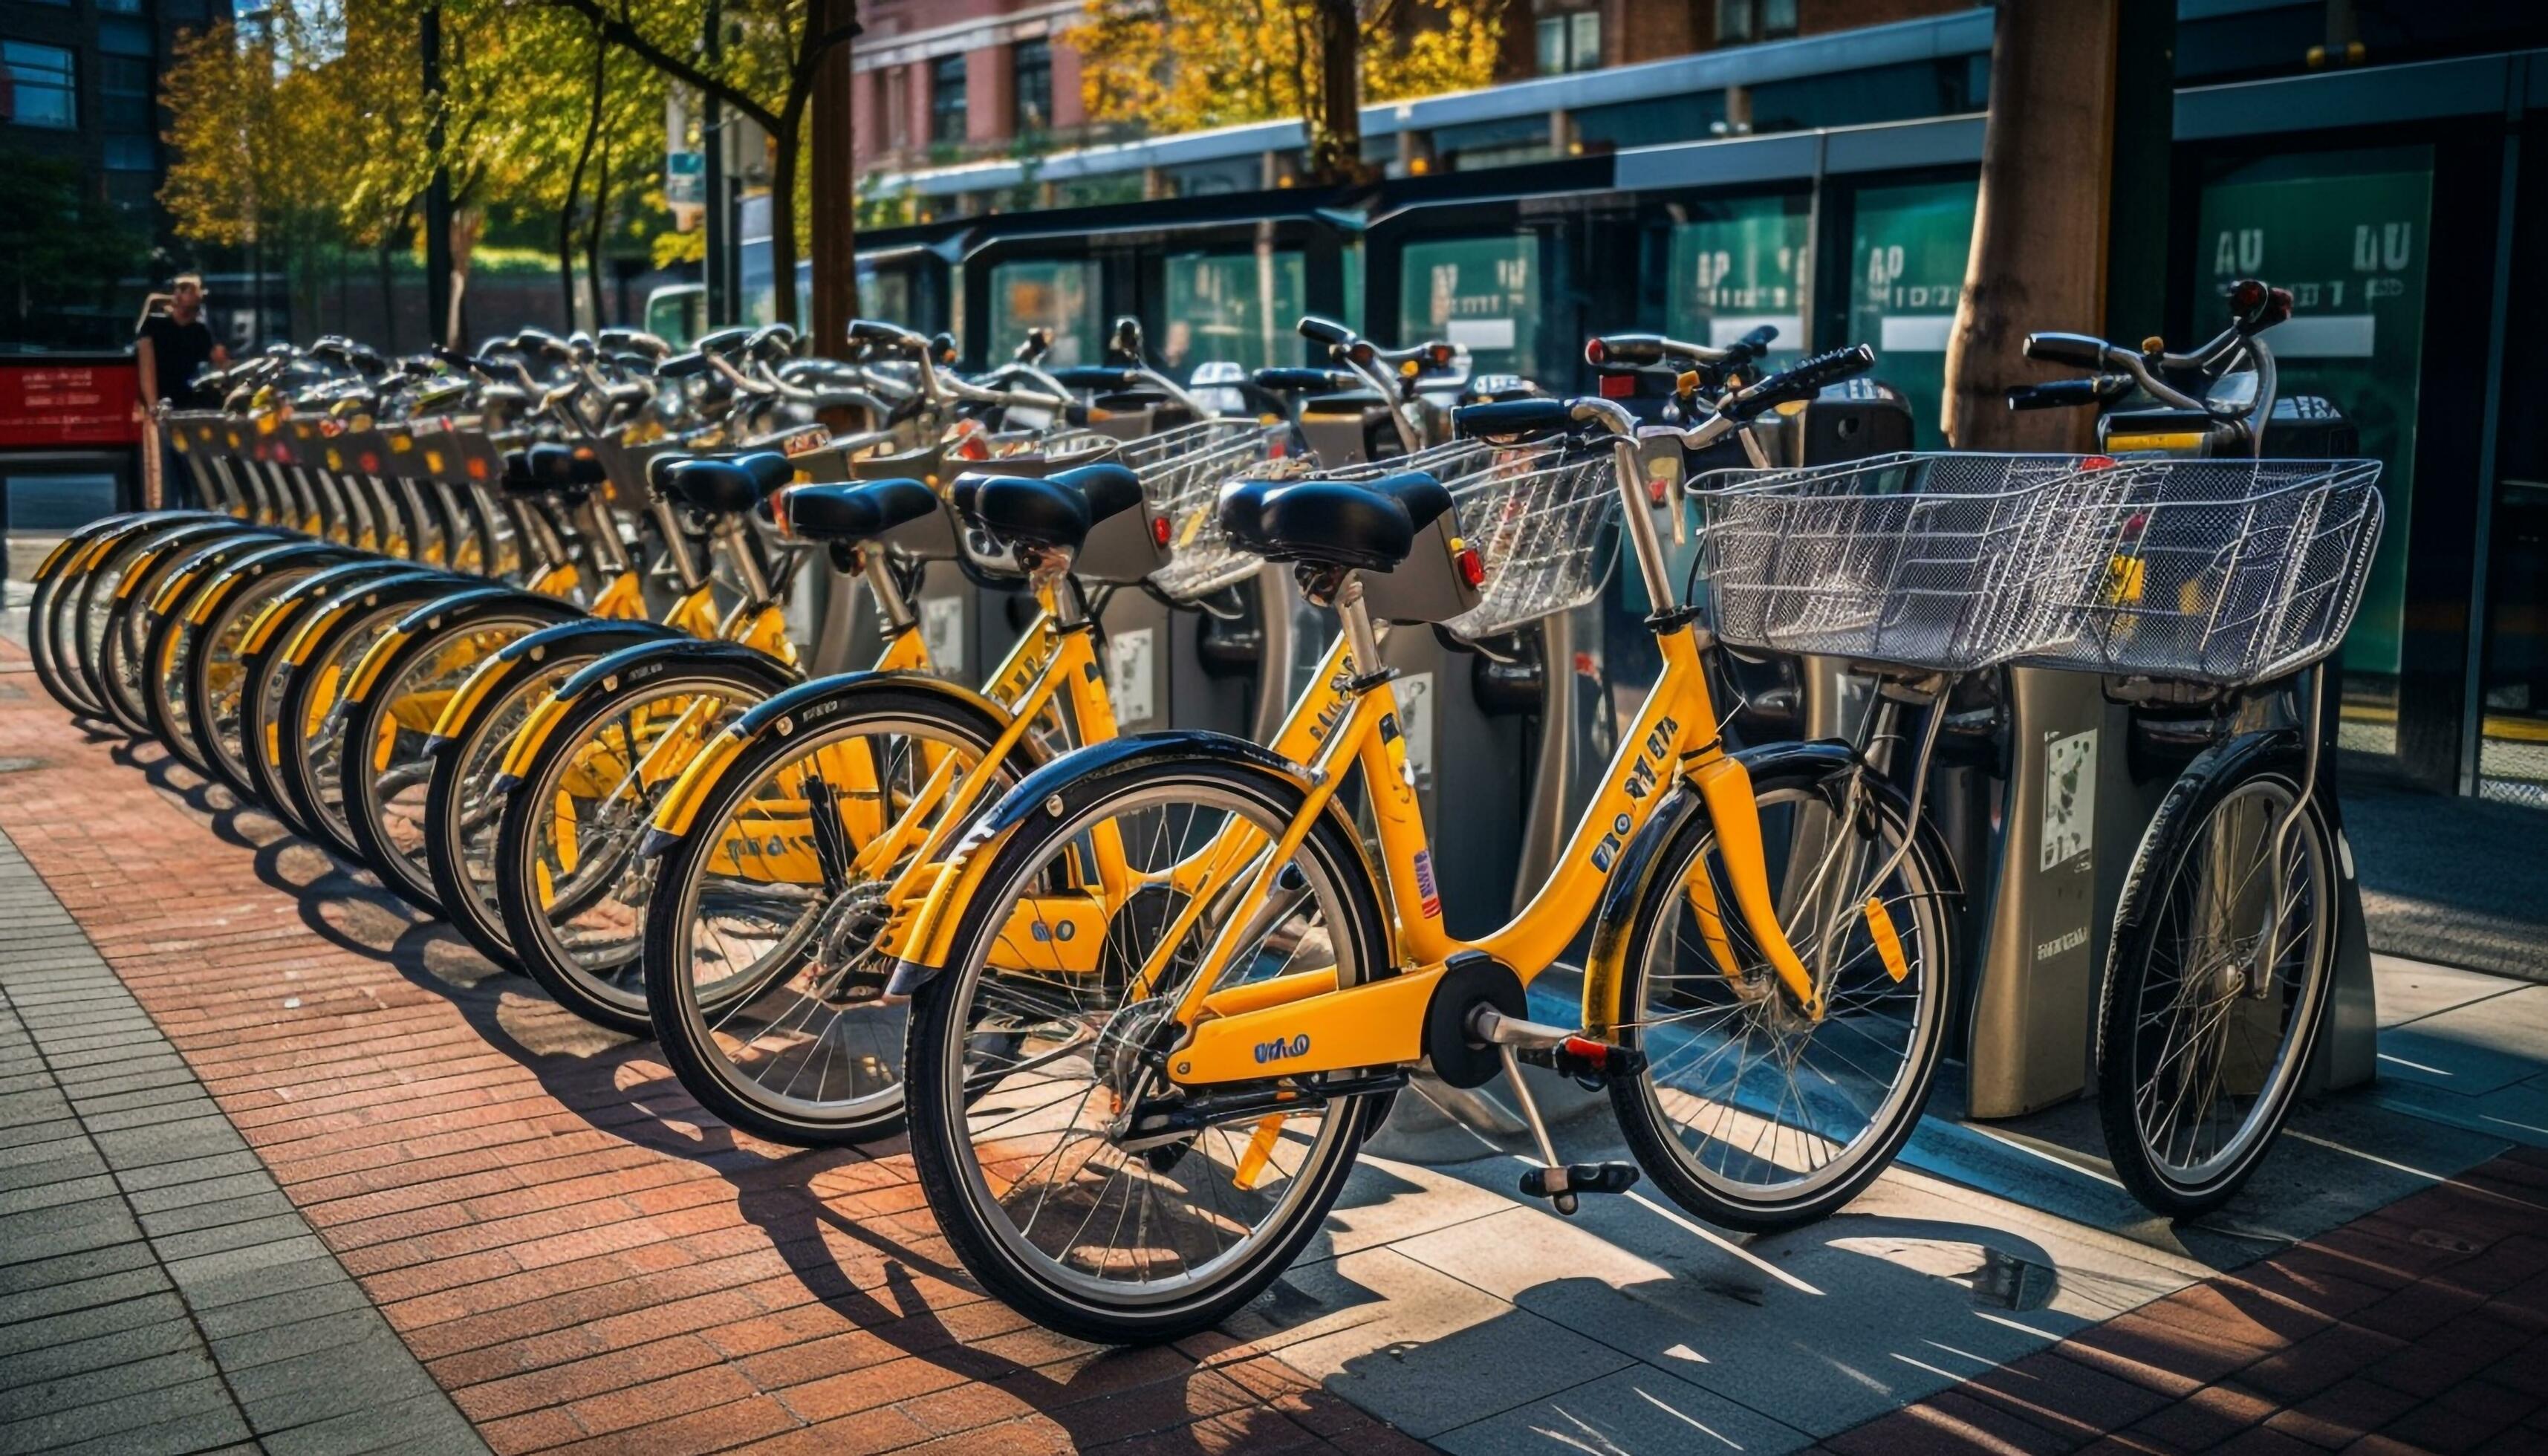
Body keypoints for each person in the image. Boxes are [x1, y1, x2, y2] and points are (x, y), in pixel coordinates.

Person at [134, 273, 229, 507]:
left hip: (194, 404)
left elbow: (220, 363)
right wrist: (152, 402)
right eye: (185, 289)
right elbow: (147, 364)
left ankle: (197, 506)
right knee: (169, 465)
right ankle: (170, 509)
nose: (190, 295)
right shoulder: (155, 325)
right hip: (167, 404)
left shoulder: (201, 330)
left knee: (195, 464)